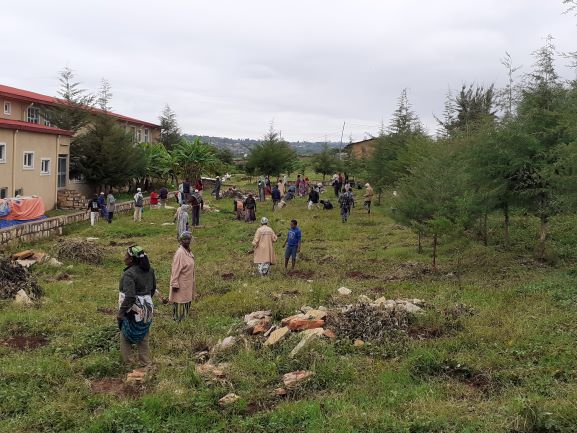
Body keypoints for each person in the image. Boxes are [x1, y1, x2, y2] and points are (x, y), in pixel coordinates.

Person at [117, 245, 156, 367]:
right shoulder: (150, 271)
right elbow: (153, 289)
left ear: (131, 259)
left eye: (126, 255)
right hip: (147, 307)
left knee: (125, 334)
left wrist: (121, 312)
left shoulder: (129, 274)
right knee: (143, 335)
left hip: (133, 309)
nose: (124, 257)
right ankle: (146, 363)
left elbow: (130, 297)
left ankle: (128, 364)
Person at [169, 231, 196, 322]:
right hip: (181, 283)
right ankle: (177, 320)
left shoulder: (188, 251)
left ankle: (184, 319)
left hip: (187, 283)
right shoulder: (180, 253)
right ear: (180, 241)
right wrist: (174, 283)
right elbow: (175, 270)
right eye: (184, 239)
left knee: (187, 301)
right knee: (179, 301)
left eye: (188, 239)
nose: (187, 241)